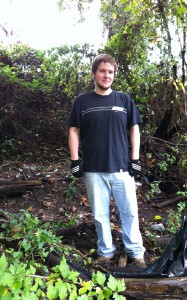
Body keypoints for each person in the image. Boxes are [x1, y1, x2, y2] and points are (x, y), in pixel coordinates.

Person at [68, 53, 146, 268]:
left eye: (110, 72)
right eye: (102, 71)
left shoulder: (123, 100)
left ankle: (136, 253)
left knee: (129, 211)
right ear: (94, 74)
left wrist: (135, 158)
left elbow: (134, 129)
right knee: (100, 214)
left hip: (122, 168)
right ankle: (105, 252)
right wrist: (75, 160)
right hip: (93, 169)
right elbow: (74, 130)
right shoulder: (82, 101)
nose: (106, 75)